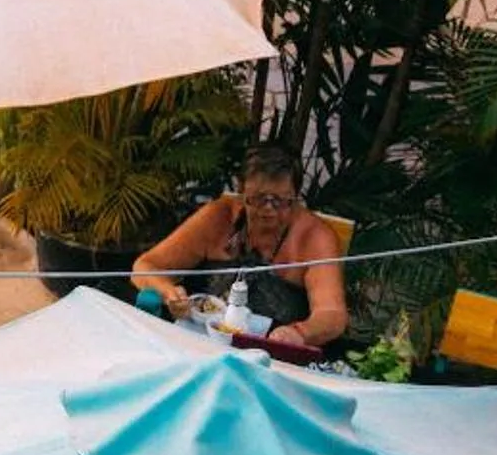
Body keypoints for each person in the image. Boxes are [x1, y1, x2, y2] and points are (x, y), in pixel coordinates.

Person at [131, 144, 349, 347]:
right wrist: (169, 293)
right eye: (259, 199)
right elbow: (145, 267)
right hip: (193, 341)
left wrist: (300, 333)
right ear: (242, 191)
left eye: (281, 201)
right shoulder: (219, 217)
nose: (269, 210)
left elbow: (332, 315)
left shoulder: (314, 237)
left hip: (267, 354)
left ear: (296, 197)